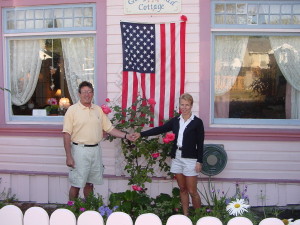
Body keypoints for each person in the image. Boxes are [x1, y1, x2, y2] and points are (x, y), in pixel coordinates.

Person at [133, 93, 204, 215]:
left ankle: (199, 217)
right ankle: (186, 215)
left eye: (187, 105)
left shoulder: (197, 122)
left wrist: (199, 161)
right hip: (177, 158)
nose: (184, 107)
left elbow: (200, 143)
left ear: (191, 105)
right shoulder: (175, 121)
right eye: (182, 104)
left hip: (190, 160)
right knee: (182, 189)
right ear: (179, 105)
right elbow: (160, 129)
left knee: (192, 191)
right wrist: (141, 134)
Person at [63, 81, 134, 200]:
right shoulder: (72, 110)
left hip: (95, 151)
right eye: (84, 92)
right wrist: (68, 156)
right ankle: (73, 211)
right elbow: (66, 134)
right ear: (79, 94)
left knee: (90, 184)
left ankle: (89, 210)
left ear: (93, 93)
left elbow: (109, 128)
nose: (87, 94)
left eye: (89, 92)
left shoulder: (97, 110)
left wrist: (126, 136)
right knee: (76, 184)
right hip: (80, 151)